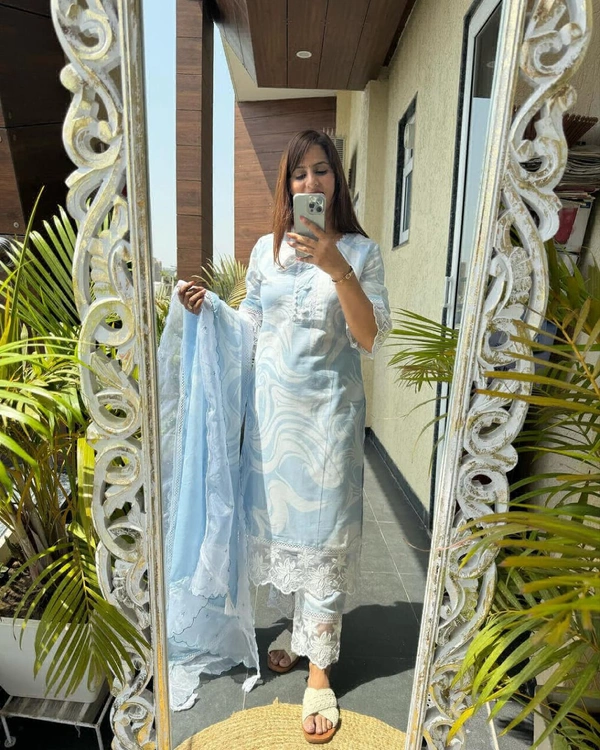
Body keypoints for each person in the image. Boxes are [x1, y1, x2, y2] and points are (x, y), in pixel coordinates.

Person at [177, 129, 391, 743]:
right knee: (280, 539)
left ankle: (319, 673)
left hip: (326, 425)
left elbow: (371, 338)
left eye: (321, 171)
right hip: (270, 428)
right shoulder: (264, 252)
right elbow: (250, 327)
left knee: (321, 541)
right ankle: (299, 637)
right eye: (299, 174)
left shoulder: (361, 252)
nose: (310, 183)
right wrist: (211, 311)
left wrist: (335, 267)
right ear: (287, 186)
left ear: (337, 180)